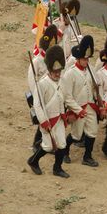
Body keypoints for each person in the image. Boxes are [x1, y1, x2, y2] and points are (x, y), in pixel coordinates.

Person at [27, 45, 70, 178]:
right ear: (50, 70)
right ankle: (33, 161)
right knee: (47, 146)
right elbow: (38, 105)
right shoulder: (42, 84)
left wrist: (63, 114)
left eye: (59, 71)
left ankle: (57, 168)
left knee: (62, 143)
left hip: (59, 118)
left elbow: (60, 98)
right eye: (55, 71)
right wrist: (44, 121)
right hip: (47, 119)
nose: (58, 74)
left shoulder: (61, 81)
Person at [60, 35, 100, 167]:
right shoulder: (69, 73)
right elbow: (67, 97)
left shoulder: (91, 70)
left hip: (90, 106)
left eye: (88, 58)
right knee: (76, 135)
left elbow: (96, 87)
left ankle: (87, 156)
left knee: (92, 131)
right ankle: (65, 152)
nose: (86, 61)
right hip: (78, 107)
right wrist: (78, 110)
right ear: (78, 59)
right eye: (84, 59)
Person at [27, 24, 60, 153]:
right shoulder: (37, 61)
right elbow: (32, 80)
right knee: (43, 119)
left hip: (52, 92)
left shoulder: (53, 59)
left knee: (52, 118)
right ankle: (37, 144)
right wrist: (38, 96)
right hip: (41, 94)